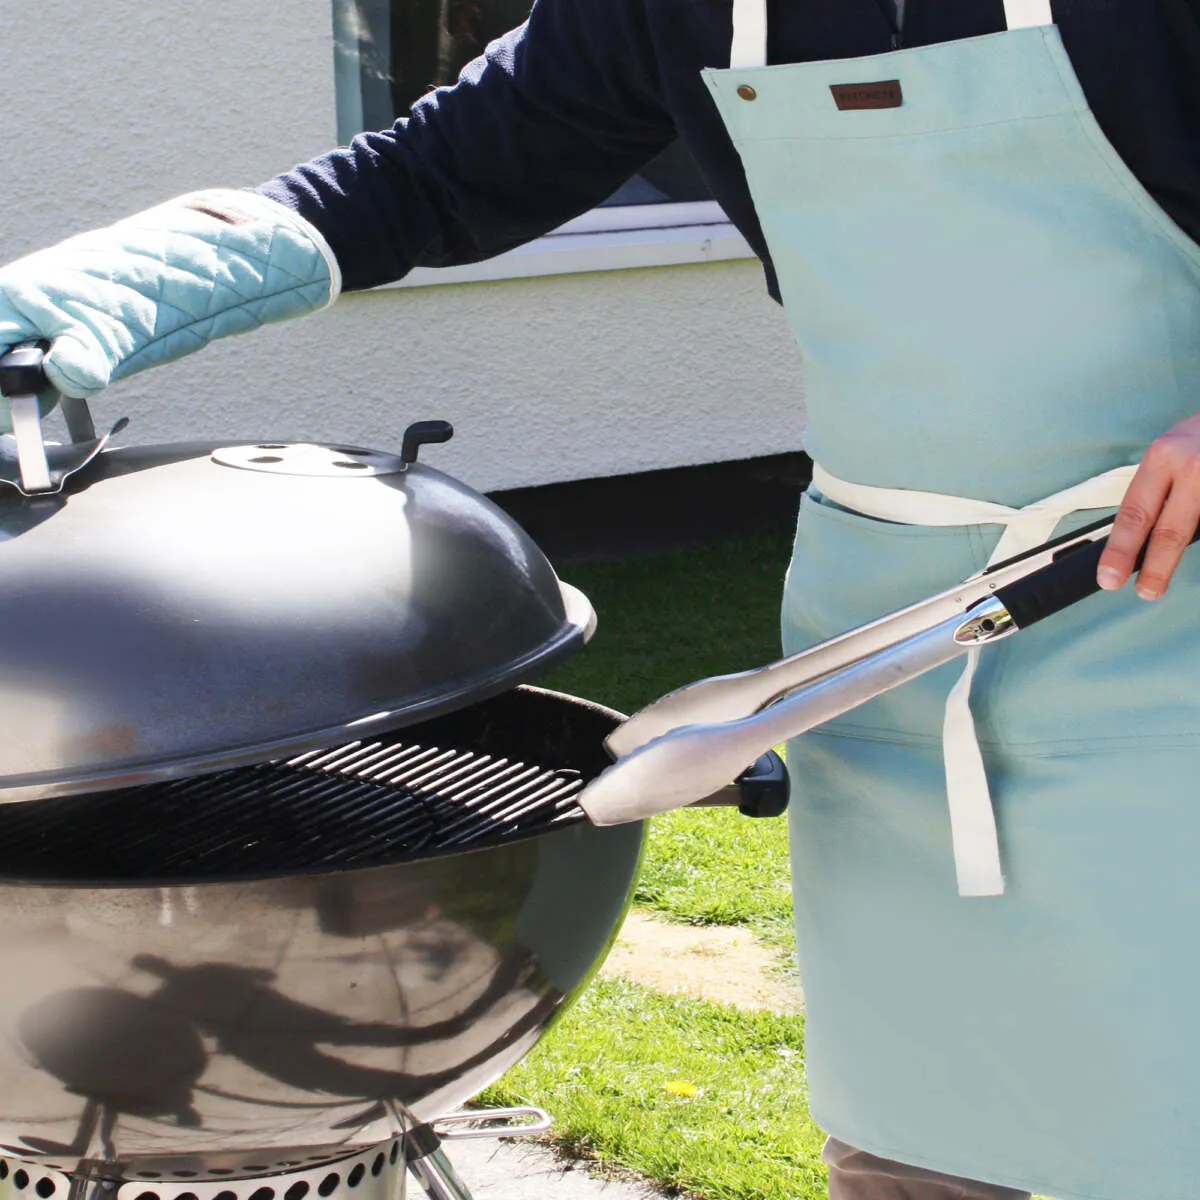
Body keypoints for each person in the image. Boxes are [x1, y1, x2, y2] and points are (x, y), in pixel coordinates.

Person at [1, 2, 1198, 1197]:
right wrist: (107, 288)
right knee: (917, 1116)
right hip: (879, 630)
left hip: (1169, 608)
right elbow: (427, 173)